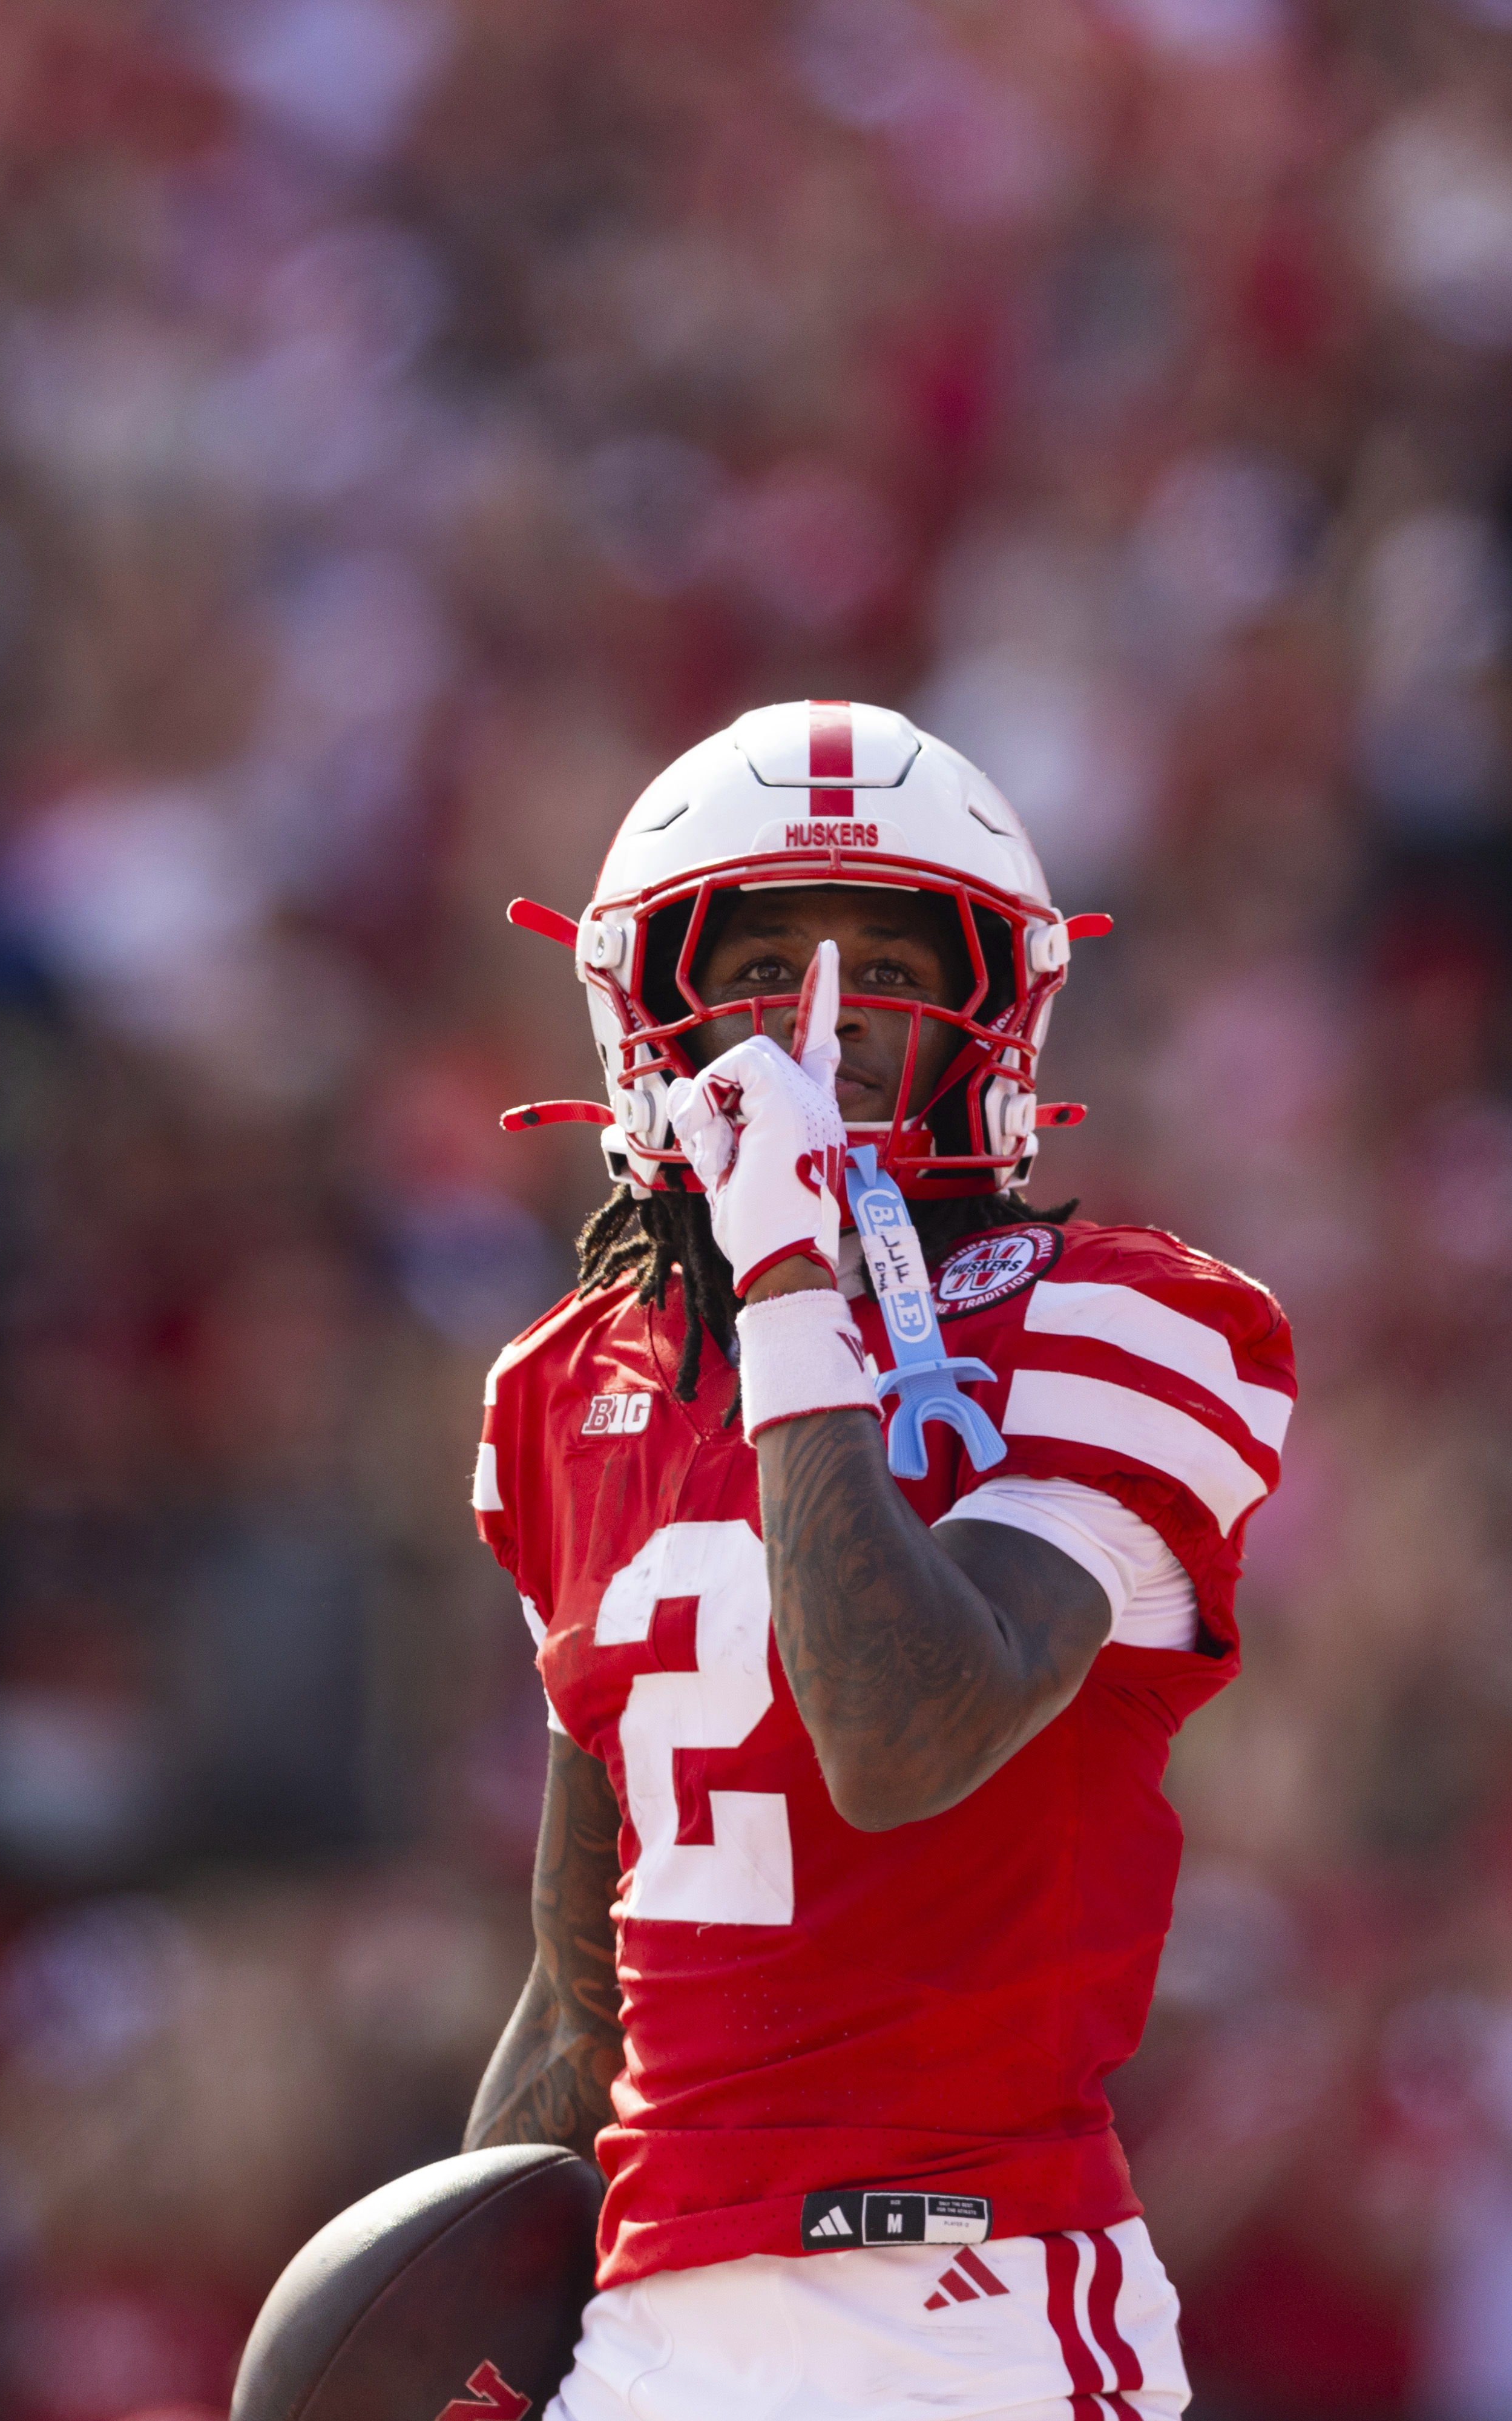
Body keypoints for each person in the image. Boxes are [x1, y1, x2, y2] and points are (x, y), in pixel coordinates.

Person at [465, 701, 1296, 2420]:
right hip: (648, 2336)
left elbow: (903, 1735)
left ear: (985, 1017)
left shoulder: (1120, 1322)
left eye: (884, 965)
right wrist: (457, 2316)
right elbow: (583, 1985)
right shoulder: (571, 1383)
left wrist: (790, 1295)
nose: (821, 1022)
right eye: (765, 962)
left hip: (967, 2317)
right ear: (653, 1016)